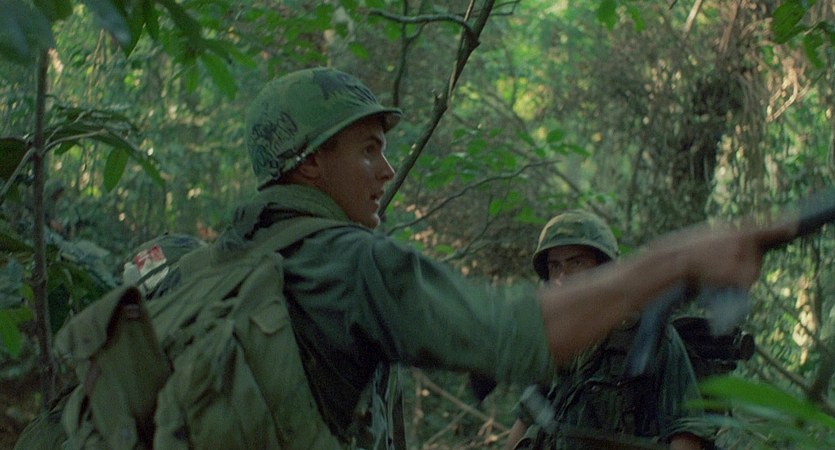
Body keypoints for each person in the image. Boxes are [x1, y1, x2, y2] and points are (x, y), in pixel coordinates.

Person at [503, 210, 712, 450]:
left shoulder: (647, 337)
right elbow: (525, 419)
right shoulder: (556, 340)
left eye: (576, 263)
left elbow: (686, 433)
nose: (563, 277)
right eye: (555, 266)